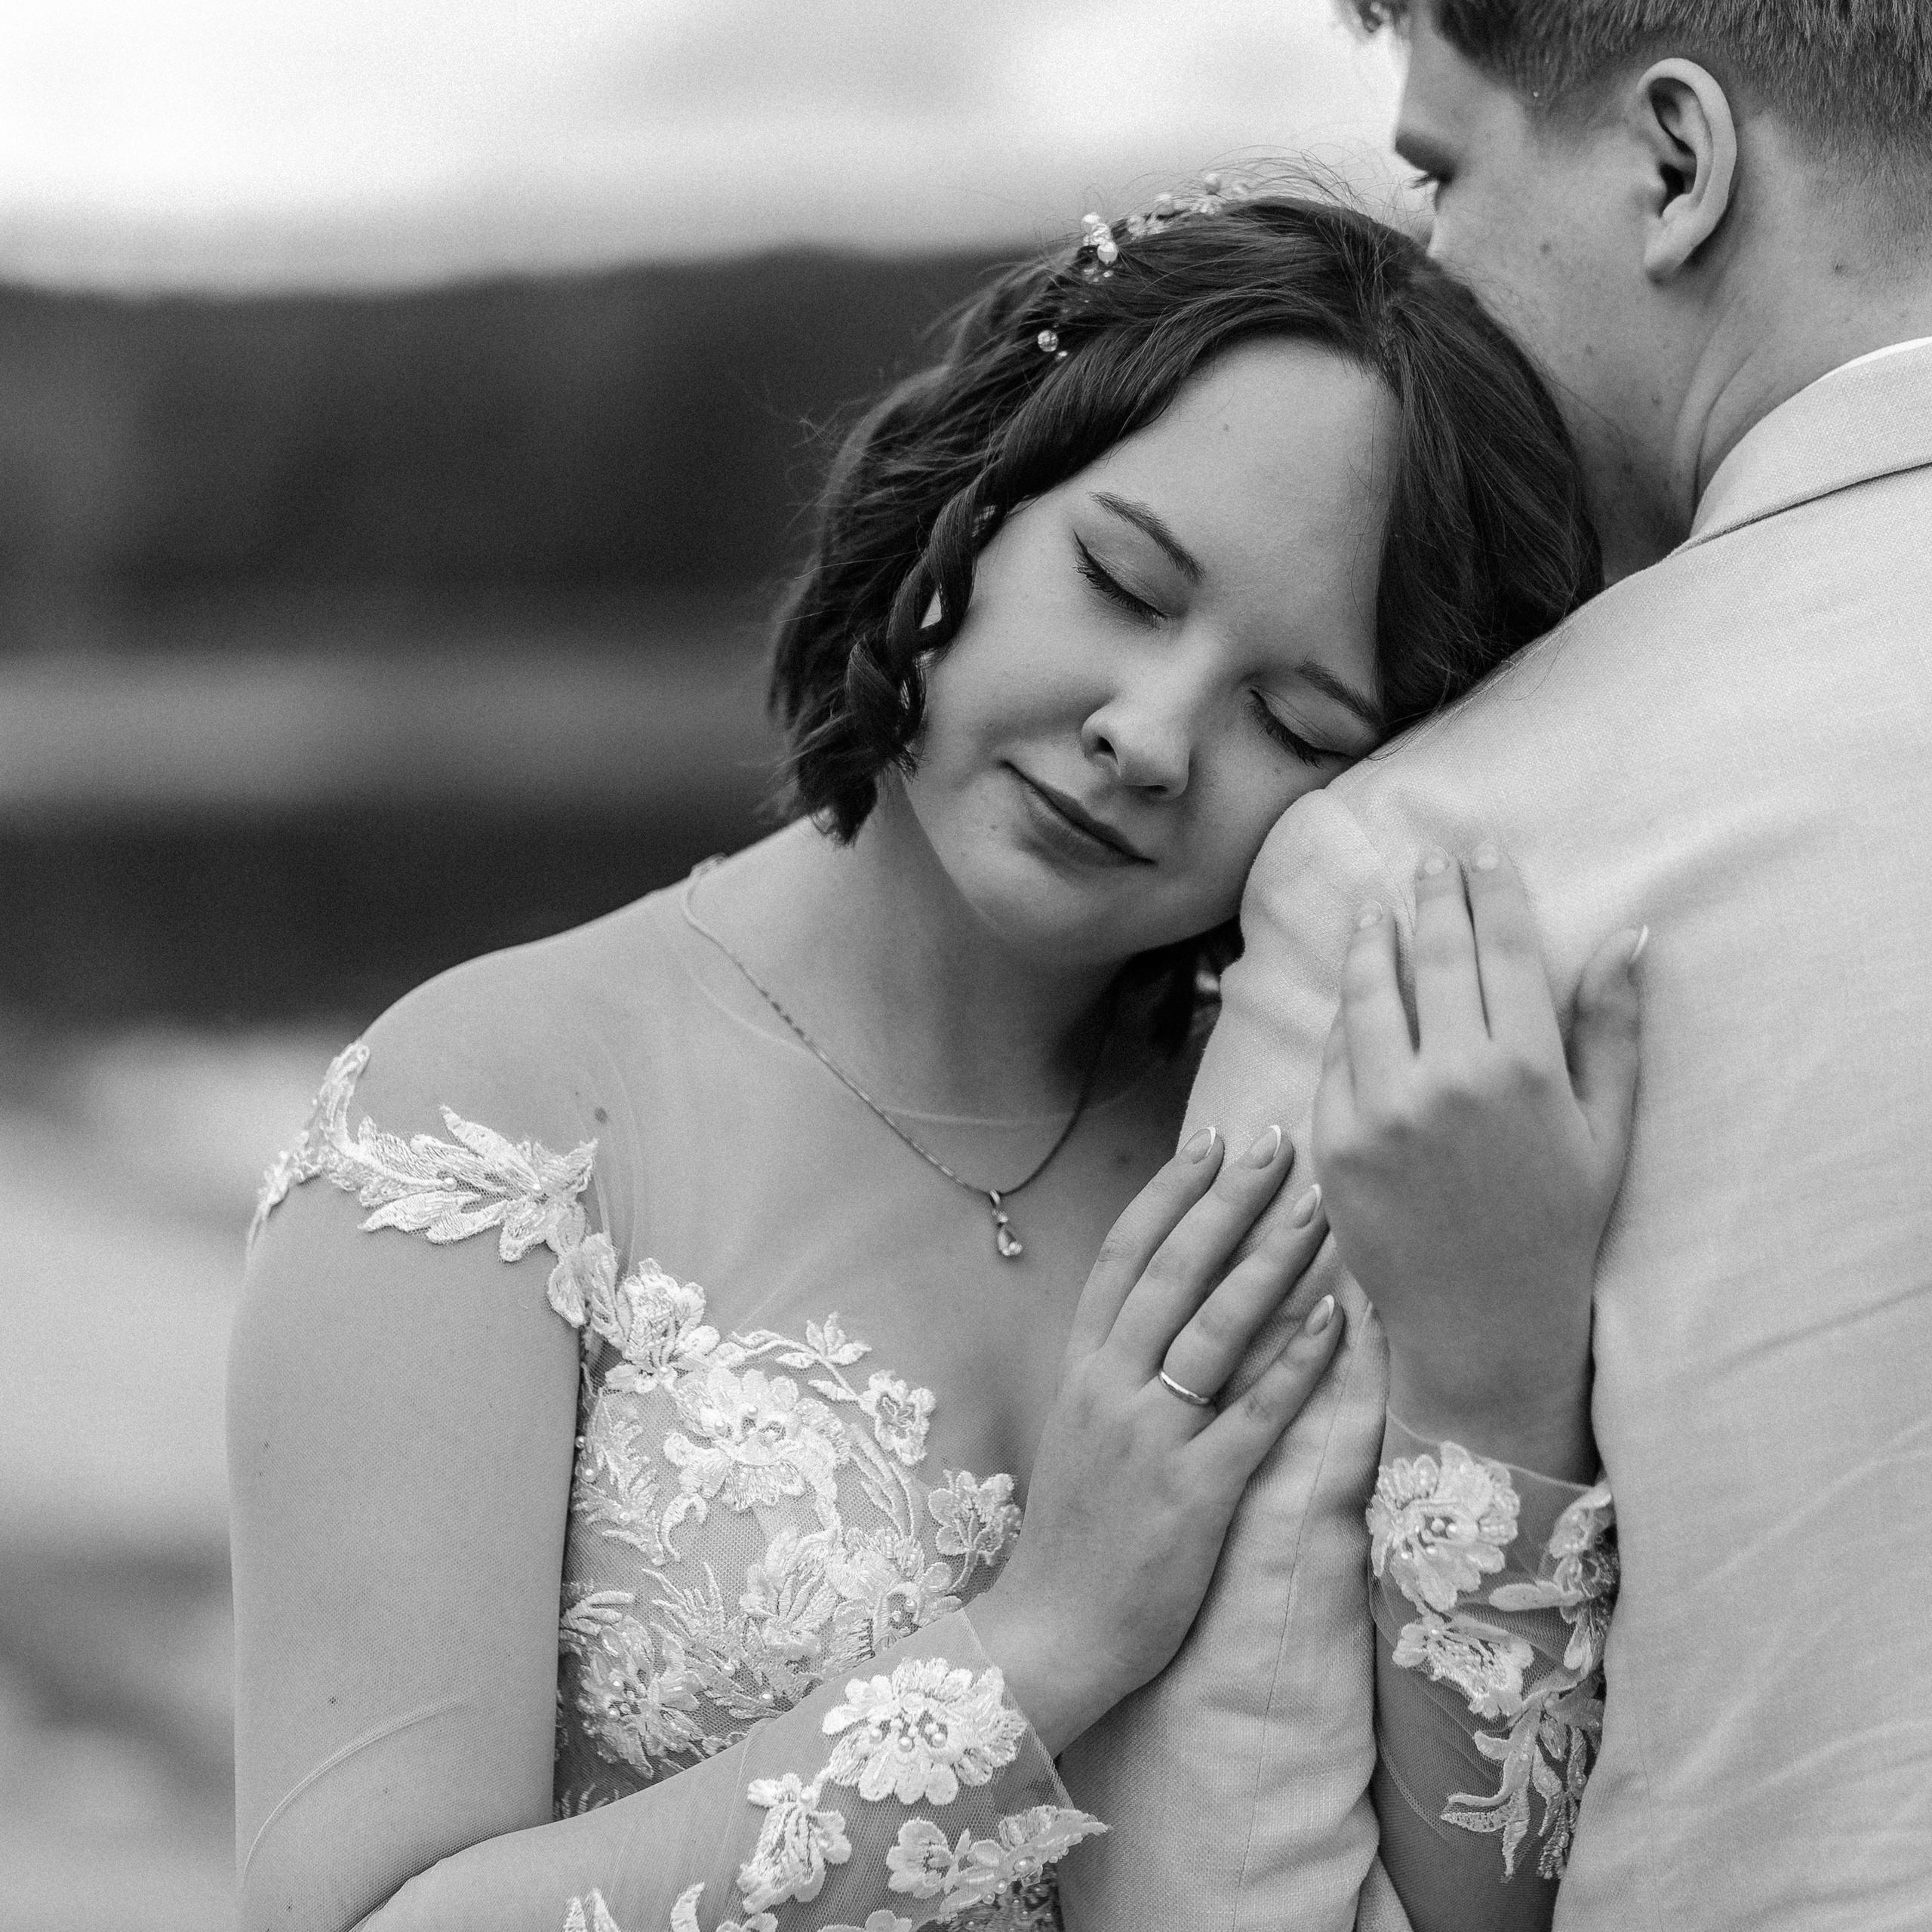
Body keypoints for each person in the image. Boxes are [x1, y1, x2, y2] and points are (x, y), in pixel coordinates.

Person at [229, 188, 1634, 1932]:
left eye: (1292, 718)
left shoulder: (1303, 1158)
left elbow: (1478, 1910)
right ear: (969, 500)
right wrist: (1048, 1634)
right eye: (1121, 582)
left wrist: (1494, 1379)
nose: (1146, 735)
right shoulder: (495, 1105)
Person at [1057, 7, 1932, 1931]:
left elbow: (1222, 1871)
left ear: (1675, 165)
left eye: (1440, 175)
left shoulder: (1430, 862)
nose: (1431, 267)